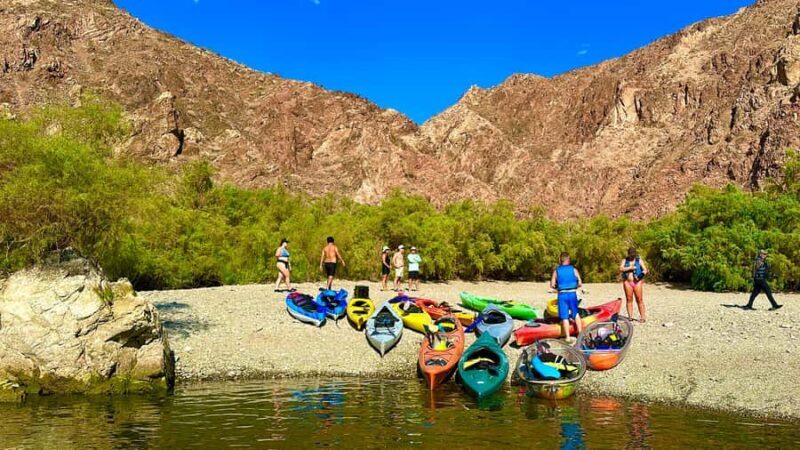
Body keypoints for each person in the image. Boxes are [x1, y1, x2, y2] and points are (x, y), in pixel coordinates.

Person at [551, 252, 583, 343]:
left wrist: (557, 287)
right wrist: (575, 285)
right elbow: (580, 283)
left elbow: (552, 285)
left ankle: (568, 337)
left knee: (564, 317)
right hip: (572, 294)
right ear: (568, 259)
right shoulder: (574, 269)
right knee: (576, 314)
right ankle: (580, 334)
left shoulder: (556, 271)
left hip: (562, 295)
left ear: (560, 260)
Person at [620, 247, 648, 323]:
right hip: (627, 282)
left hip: (637, 282)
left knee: (639, 299)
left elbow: (645, 270)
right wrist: (630, 268)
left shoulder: (639, 260)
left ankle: (643, 317)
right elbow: (621, 269)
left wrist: (640, 276)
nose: (632, 256)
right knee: (629, 299)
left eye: (633, 255)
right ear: (628, 254)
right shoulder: (624, 261)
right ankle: (630, 317)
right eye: (631, 255)